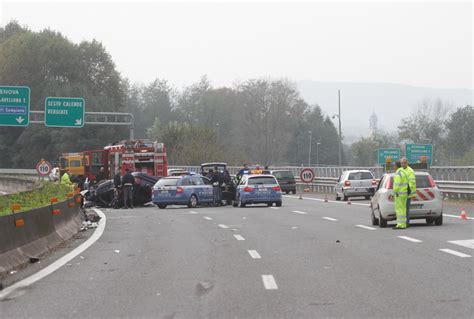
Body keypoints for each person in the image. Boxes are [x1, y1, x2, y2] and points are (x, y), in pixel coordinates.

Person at [393, 160, 409, 229]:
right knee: (403, 209)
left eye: (394, 165)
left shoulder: (398, 173)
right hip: (404, 193)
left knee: (399, 209)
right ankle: (403, 224)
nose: (393, 166)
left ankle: (400, 224)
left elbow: (396, 184)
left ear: (396, 166)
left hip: (399, 194)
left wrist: (394, 192)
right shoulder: (404, 172)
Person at [401, 157, 416, 226]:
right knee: (402, 208)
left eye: (404, 163)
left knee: (406, 208)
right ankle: (402, 221)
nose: (403, 164)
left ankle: (407, 222)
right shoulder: (400, 170)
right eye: (402, 163)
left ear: (407, 163)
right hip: (401, 193)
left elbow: (412, 181)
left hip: (407, 193)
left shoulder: (410, 171)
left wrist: (409, 189)